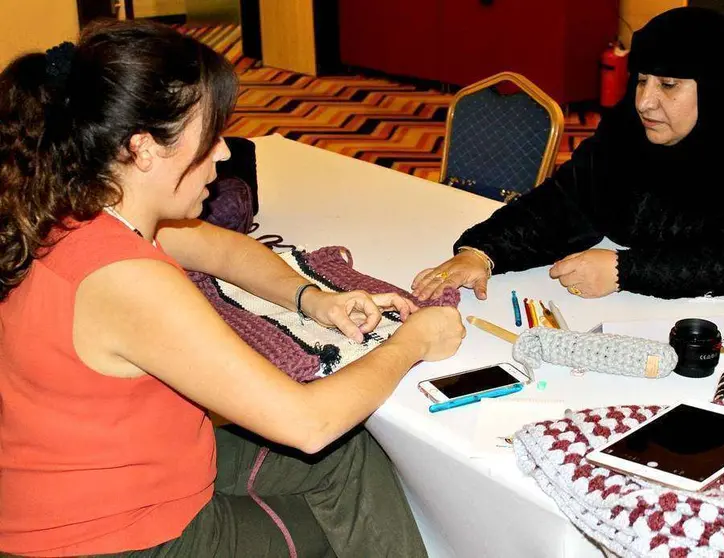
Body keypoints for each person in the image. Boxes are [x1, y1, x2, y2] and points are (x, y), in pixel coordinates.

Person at [0, 20, 465, 558]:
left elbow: (220, 249)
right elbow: (307, 423)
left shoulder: (68, 210)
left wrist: (312, 298)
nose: (224, 153)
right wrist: (413, 343)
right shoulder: (128, 279)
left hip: (76, 486)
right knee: (344, 500)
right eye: (210, 135)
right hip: (111, 540)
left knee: (349, 455)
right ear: (144, 148)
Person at [412, 7, 724, 302]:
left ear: (718, 88)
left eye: (668, 85)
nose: (644, 102)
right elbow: (563, 201)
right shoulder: (630, 133)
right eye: (641, 80)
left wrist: (626, 271)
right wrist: (483, 251)